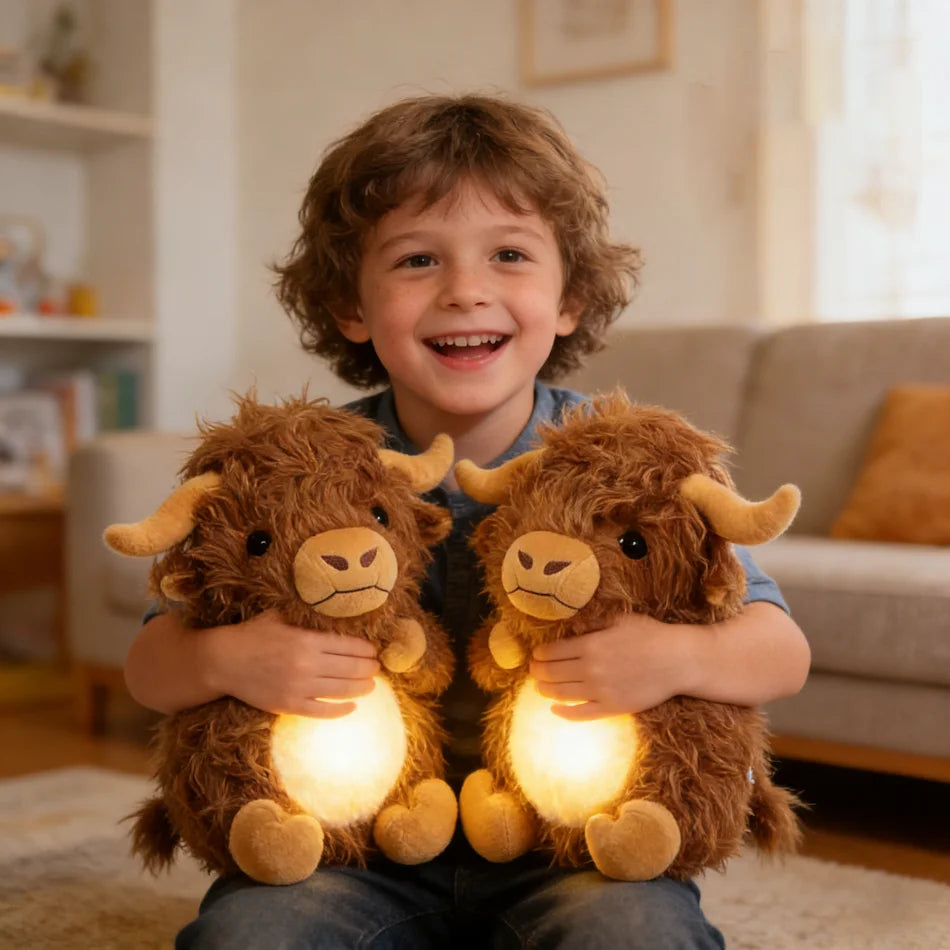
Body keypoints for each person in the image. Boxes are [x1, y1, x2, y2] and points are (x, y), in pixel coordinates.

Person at [125, 93, 811, 949]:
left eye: (510, 254)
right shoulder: (296, 467)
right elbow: (150, 667)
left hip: (578, 842)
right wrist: (229, 656)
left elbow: (783, 654)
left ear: (570, 298)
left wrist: (672, 655)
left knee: (639, 936)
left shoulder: (629, 467)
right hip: (342, 845)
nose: (464, 291)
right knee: (248, 942)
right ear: (351, 307)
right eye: (417, 260)